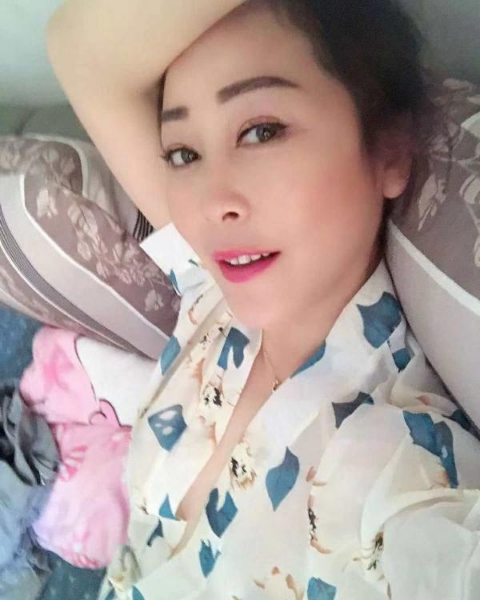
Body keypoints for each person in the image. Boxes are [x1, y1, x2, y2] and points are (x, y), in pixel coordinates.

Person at [46, 1, 480, 599]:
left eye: (261, 131)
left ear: (389, 151)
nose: (209, 203)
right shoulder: (210, 286)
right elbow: (80, 53)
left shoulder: (397, 463)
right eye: (183, 154)